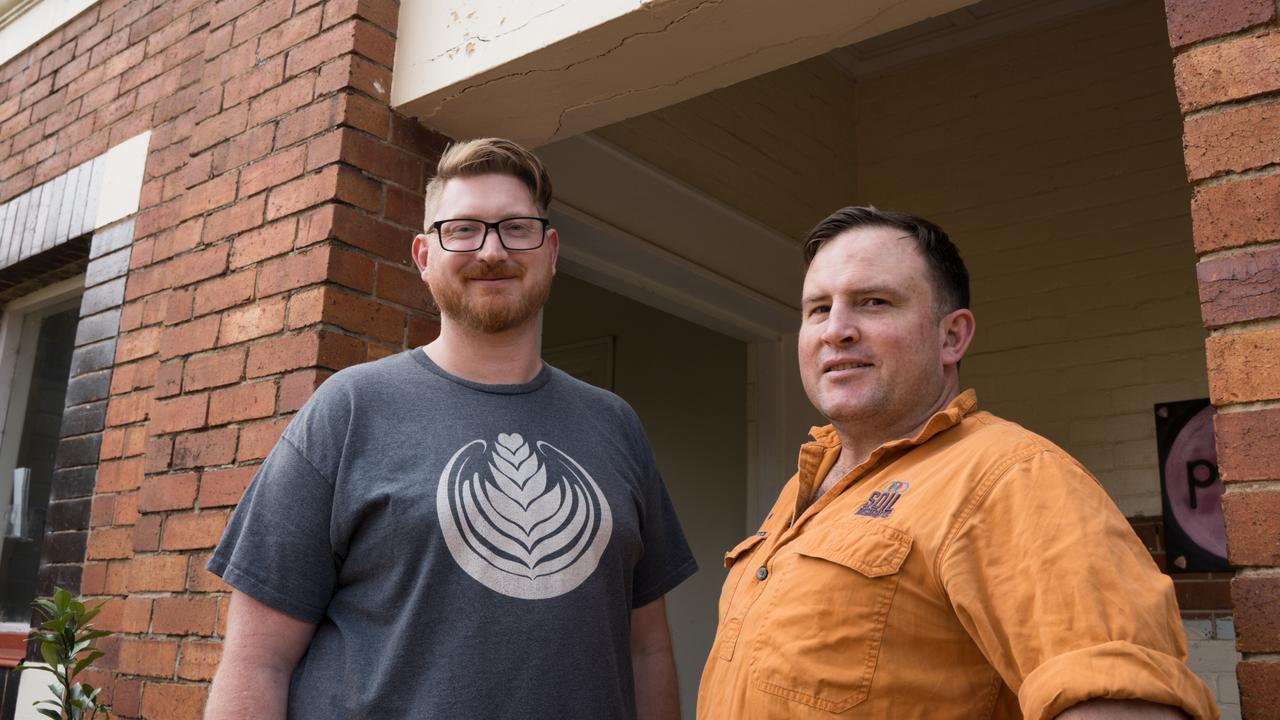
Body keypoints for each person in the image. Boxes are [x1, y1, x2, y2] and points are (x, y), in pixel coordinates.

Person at [204, 138, 696, 720]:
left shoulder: (615, 424)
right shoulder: (350, 408)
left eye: (517, 228)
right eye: (462, 230)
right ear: (423, 254)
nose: (491, 251)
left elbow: (647, 649)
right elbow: (257, 661)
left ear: (552, 250)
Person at [696, 207, 1218, 719]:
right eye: (817, 309)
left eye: (872, 302)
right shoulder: (803, 492)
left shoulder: (1011, 476)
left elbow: (1119, 702)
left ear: (952, 337)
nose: (836, 329)